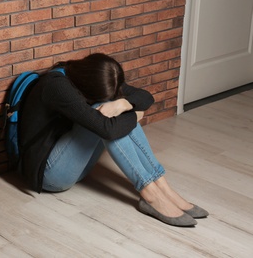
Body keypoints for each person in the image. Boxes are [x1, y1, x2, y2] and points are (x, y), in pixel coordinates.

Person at [18, 53, 208, 227]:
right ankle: (150, 195)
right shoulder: (57, 86)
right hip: (50, 174)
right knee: (107, 116)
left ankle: (162, 186)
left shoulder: (93, 77)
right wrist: (135, 114)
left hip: (76, 166)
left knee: (115, 110)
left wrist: (123, 103)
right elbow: (107, 130)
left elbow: (146, 97)